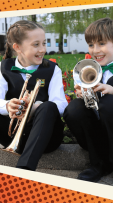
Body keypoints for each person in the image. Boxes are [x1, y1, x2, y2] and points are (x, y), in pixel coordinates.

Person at [63, 18, 113, 187]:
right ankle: (99, 163)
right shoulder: (87, 69)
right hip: (98, 132)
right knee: (74, 109)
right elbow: (86, 112)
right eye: (91, 45)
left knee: (109, 103)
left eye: (101, 44)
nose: (95, 50)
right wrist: (82, 95)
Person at [0, 20, 68, 171]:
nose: (43, 49)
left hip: (46, 138)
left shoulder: (52, 69)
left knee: (49, 106)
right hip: (11, 135)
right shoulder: (3, 67)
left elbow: (62, 105)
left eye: (44, 43)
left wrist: (36, 107)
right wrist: (7, 106)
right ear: (17, 47)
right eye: (36, 44)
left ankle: (25, 169)